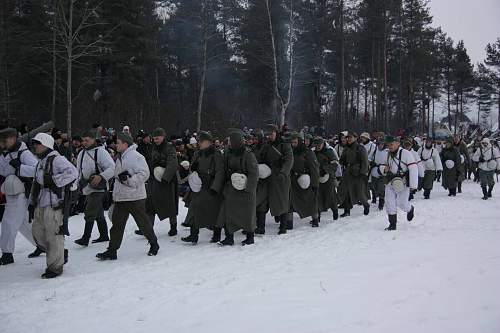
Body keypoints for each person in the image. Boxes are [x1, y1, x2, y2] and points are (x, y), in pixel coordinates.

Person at [96, 132, 159, 260]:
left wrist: (129, 180)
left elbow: (145, 173)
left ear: (125, 144)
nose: (115, 145)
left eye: (118, 142)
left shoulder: (136, 156)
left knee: (143, 223)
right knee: (117, 226)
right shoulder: (119, 157)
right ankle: (112, 251)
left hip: (135, 197)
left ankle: (154, 244)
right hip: (121, 198)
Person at [30, 133, 78, 278]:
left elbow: (73, 172)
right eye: (34, 143)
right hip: (40, 202)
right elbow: (36, 183)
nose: (35, 146)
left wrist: (54, 180)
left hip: (54, 203)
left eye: (38, 143)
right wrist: (31, 202)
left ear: (45, 144)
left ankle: (55, 267)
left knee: (53, 236)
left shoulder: (57, 159)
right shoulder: (41, 161)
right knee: (37, 233)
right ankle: (60, 253)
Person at [0, 128, 39, 265]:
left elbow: (37, 170)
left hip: (20, 193)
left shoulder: (24, 153)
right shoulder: (5, 153)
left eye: (4, 140)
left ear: (12, 139)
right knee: (24, 224)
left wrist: (19, 168)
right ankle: (42, 245)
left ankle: (7, 253)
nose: (1, 143)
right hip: (10, 192)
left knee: (8, 222)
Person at [181, 131, 225, 244]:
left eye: (201, 141)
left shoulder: (216, 154)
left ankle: (216, 235)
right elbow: (192, 167)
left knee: (214, 211)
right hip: (199, 185)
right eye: (198, 141)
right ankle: (193, 235)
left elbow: (220, 172)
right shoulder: (198, 153)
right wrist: (193, 168)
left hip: (211, 185)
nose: (199, 143)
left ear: (208, 142)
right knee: (194, 207)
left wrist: (215, 188)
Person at [216, 129, 258, 246]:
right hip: (231, 189)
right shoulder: (228, 153)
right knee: (228, 213)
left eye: (231, 140)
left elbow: (254, 173)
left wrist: (249, 189)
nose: (229, 142)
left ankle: (250, 237)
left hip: (245, 190)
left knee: (247, 214)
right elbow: (224, 168)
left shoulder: (248, 155)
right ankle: (229, 237)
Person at [74, 130, 115, 246]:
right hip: (87, 186)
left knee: (90, 211)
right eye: (83, 140)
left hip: (99, 187)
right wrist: (77, 184)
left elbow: (112, 168)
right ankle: (104, 235)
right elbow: (78, 171)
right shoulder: (81, 153)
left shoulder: (101, 152)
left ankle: (85, 238)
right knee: (98, 213)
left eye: (87, 140)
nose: (85, 142)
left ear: (93, 139)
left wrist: (101, 176)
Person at [261, 124, 294, 234]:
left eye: (271, 134)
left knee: (282, 200)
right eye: (268, 135)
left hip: (281, 177)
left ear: (276, 132)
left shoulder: (285, 144)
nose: (269, 136)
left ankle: (283, 226)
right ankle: (261, 226)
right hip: (269, 176)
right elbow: (261, 157)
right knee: (265, 201)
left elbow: (289, 160)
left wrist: (284, 173)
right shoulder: (266, 145)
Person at [146, 128, 179, 236]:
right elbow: (150, 161)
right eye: (154, 138)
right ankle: (148, 228)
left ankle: (173, 227)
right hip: (154, 180)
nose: (155, 140)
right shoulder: (153, 148)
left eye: (157, 138)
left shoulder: (170, 148)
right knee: (151, 204)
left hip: (167, 180)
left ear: (163, 137)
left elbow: (172, 164)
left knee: (170, 205)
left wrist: (166, 178)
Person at [383, 136, 418, 231]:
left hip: (403, 182)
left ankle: (410, 209)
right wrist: (385, 170)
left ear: (398, 143)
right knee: (389, 202)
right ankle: (392, 224)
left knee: (402, 203)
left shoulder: (406, 154)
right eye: (388, 144)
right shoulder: (388, 154)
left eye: (392, 144)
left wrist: (413, 186)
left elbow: (413, 168)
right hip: (391, 181)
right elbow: (387, 166)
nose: (389, 146)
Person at [288, 132, 320, 227]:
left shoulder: (308, 152)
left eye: (295, 142)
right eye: (292, 142)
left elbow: (314, 168)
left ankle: (315, 219)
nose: (293, 144)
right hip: (293, 180)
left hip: (305, 180)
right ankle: (289, 223)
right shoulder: (290, 152)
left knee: (310, 200)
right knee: (290, 201)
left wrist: (315, 184)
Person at [339, 132, 370, 217]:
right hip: (347, 172)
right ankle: (347, 210)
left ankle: (366, 205)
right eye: (348, 137)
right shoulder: (346, 148)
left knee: (360, 192)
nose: (349, 139)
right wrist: (342, 162)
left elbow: (365, 162)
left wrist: (363, 173)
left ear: (356, 138)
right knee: (346, 192)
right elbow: (342, 159)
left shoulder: (360, 148)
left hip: (357, 173)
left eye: (351, 137)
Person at [313, 136, 340, 222]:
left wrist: (325, 170)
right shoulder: (313, 152)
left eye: (319, 144)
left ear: (323, 144)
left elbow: (335, 164)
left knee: (330, 196)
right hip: (317, 178)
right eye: (316, 145)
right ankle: (317, 217)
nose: (318, 146)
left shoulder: (329, 152)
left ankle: (335, 210)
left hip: (328, 178)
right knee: (318, 197)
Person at [369, 137, 389, 210]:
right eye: (379, 144)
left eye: (382, 144)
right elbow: (369, 158)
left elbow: (390, 161)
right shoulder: (374, 150)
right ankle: (375, 197)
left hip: (383, 172)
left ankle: (381, 202)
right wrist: (371, 162)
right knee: (374, 186)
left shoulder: (387, 151)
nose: (380, 145)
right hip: (374, 171)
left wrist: (386, 168)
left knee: (381, 188)